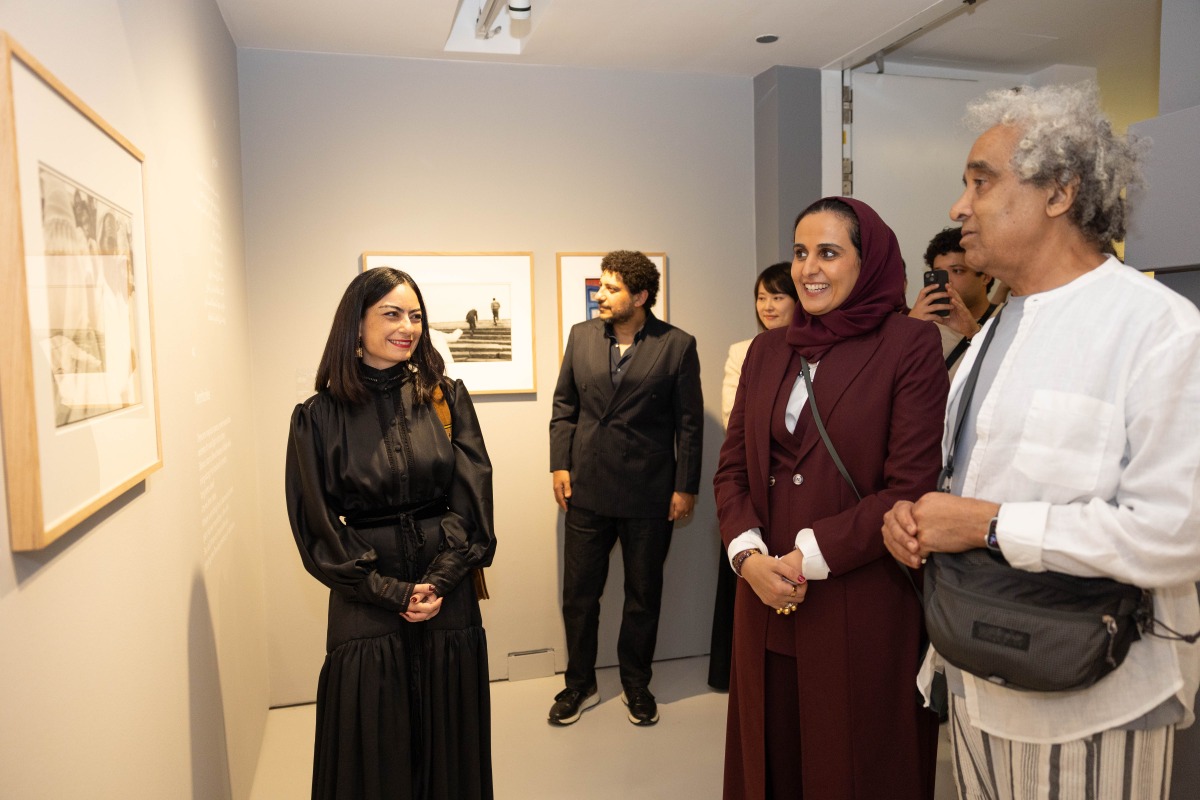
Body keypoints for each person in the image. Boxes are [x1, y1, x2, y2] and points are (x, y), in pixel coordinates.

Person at [882, 83, 1200, 800]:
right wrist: (918, 518)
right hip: (971, 676)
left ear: (1060, 191)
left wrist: (984, 524)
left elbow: (1173, 537)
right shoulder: (994, 327)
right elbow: (968, 478)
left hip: (1094, 698)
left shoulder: (1158, 329)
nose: (959, 207)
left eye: (980, 181)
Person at [715, 197, 947, 799]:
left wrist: (805, 557)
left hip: (861, 596)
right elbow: (733, 467)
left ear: (866, 262)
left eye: (828, 252)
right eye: (798, 252)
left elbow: (910, 485)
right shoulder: (769, 350)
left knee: (856, 763)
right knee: (772, 759)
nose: (807, 268)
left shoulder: (910, 345)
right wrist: (748, 556)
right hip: (763, 596)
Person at [285, 267, 496, 799]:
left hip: (446, 590)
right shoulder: (318, 417)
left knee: (451, 734)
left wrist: (440, 581)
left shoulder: (446, 397)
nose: (409, 327)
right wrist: (391, 592)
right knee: (372, 738)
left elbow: (473, 496)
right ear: (355, 326)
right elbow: (316, 526)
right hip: (365, 592)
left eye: (416, 315)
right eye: (392, 314)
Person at [548, 249, 703, 727]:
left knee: (643, 594)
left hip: (649, 491)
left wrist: (685, 487)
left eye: (611, 288)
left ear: (640, 296)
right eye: (600, 286)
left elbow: (689, 424)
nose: (600, 295)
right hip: (587, 487)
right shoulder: (580, 337)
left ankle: (636, 683)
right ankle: (580, 683)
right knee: (579, 595)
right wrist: (559, 464)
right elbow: (564, 407)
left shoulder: (676, 345)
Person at [709, 261, 798, 691]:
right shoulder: (747, 350)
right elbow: (736, 427)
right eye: (761, 297)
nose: (766, 305)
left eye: (777, 296)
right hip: (756, 487)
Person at [908, 227, 999, 378]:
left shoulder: (1006, 319)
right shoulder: (924, 324)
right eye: (938, 273)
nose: (947, 281)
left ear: (985, 277)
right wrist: (907, 329)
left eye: (957, 271)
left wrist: (974, 334)